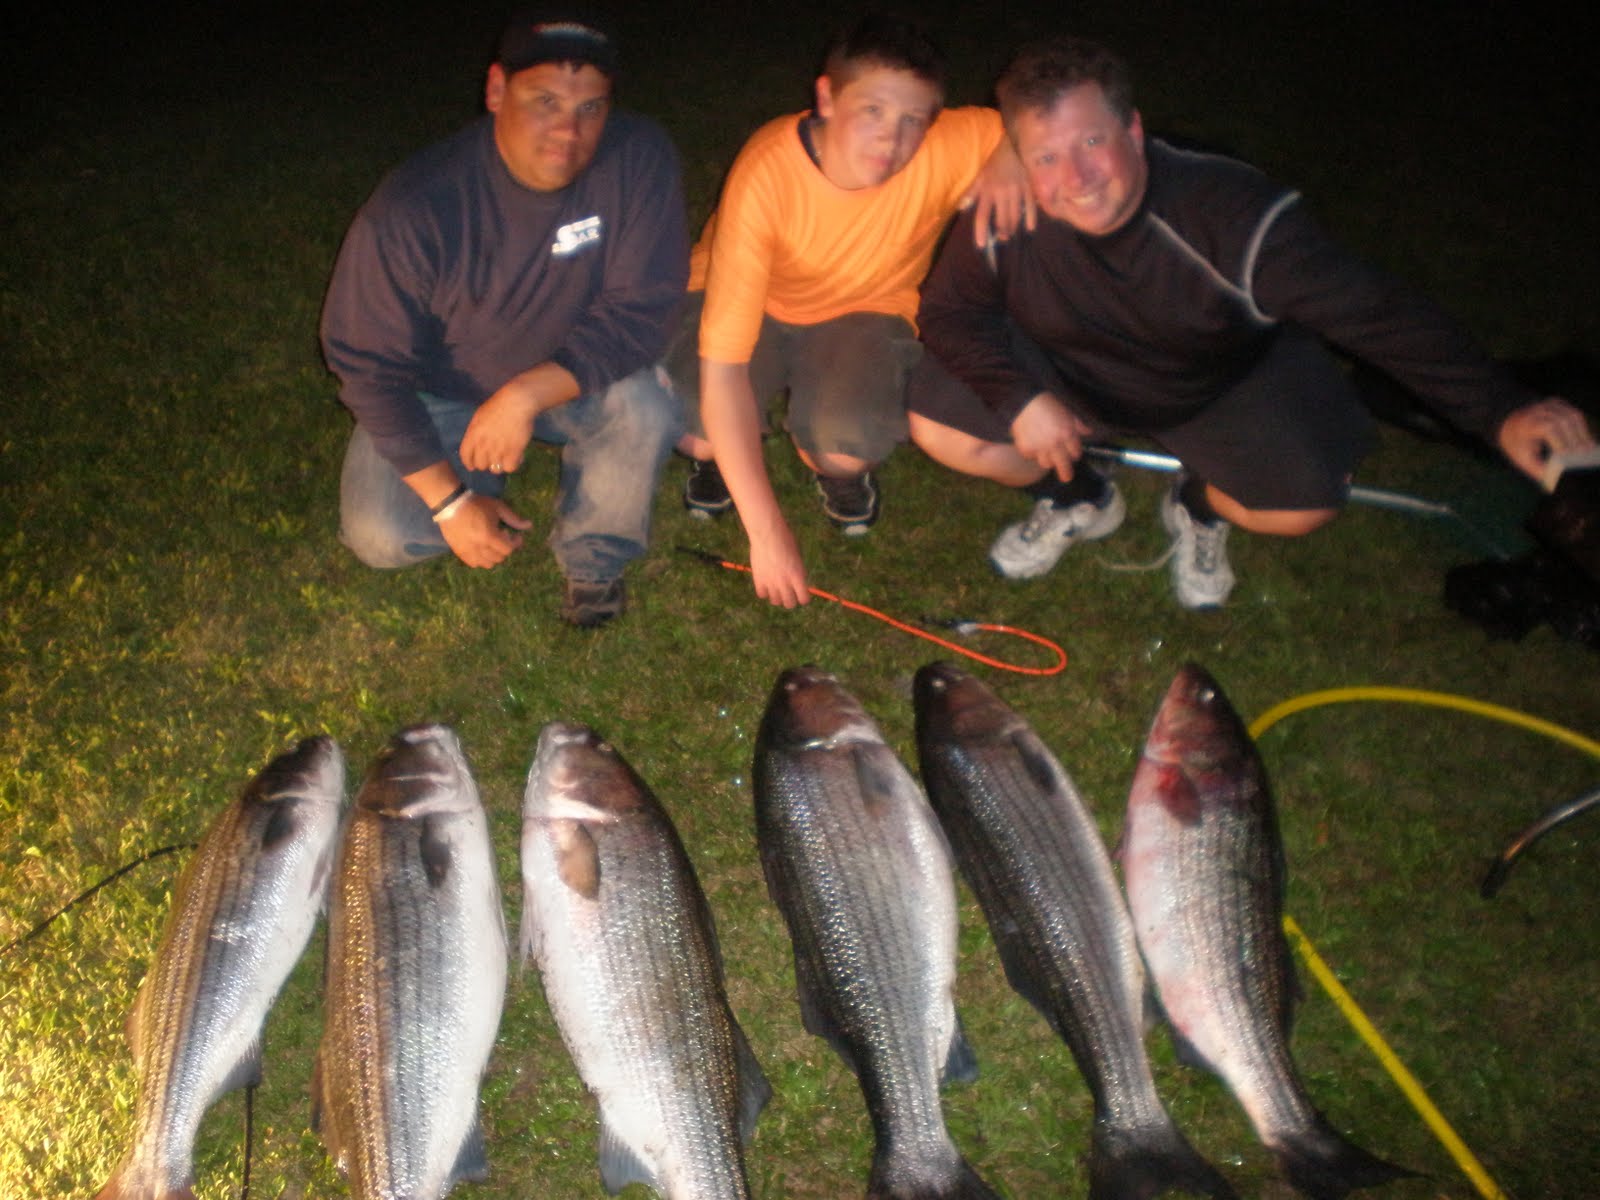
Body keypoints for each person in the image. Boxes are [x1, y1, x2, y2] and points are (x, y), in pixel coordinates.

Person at [910, 36, 1596, 609]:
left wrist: (1501, 411)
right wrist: (1020, 399)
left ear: (1135, 131)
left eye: (1092, 141)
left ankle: (1200, 506)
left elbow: (1378, 314)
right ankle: (1081, 494)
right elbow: (948, 313)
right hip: (1065, 371)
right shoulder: (1009, 207)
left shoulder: (1232, 215)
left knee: (1301, 507)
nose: (1077, 177)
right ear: (1021, 161)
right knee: (939, 425)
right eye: (1046, 157)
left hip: (1214, 381)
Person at [321, 7, 688, 627]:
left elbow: (642, 311)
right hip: (445, 389)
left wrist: (524, 394)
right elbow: (367, 366)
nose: (567, 132)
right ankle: (475, 492)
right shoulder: (415, 206)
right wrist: (449, 502)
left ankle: (595, 557)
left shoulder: (638, 158)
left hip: (570, 373)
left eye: (590, 108)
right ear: (496, 91)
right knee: (379, 535)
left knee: (645, 403)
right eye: (544, 101)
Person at [665, 12, 1033, 609]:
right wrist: (768, 533)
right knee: (697, 431)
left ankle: (836, 468)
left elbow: (1034, 114)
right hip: (751, 300)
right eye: (873, 111)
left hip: (864, 304)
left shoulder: (946, 144)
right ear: (827, 97)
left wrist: (1012, 154)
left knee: (842, 444)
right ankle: (722, 465)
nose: (892, 140)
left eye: (913, 119)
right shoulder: (768, 173)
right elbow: (724, 368)